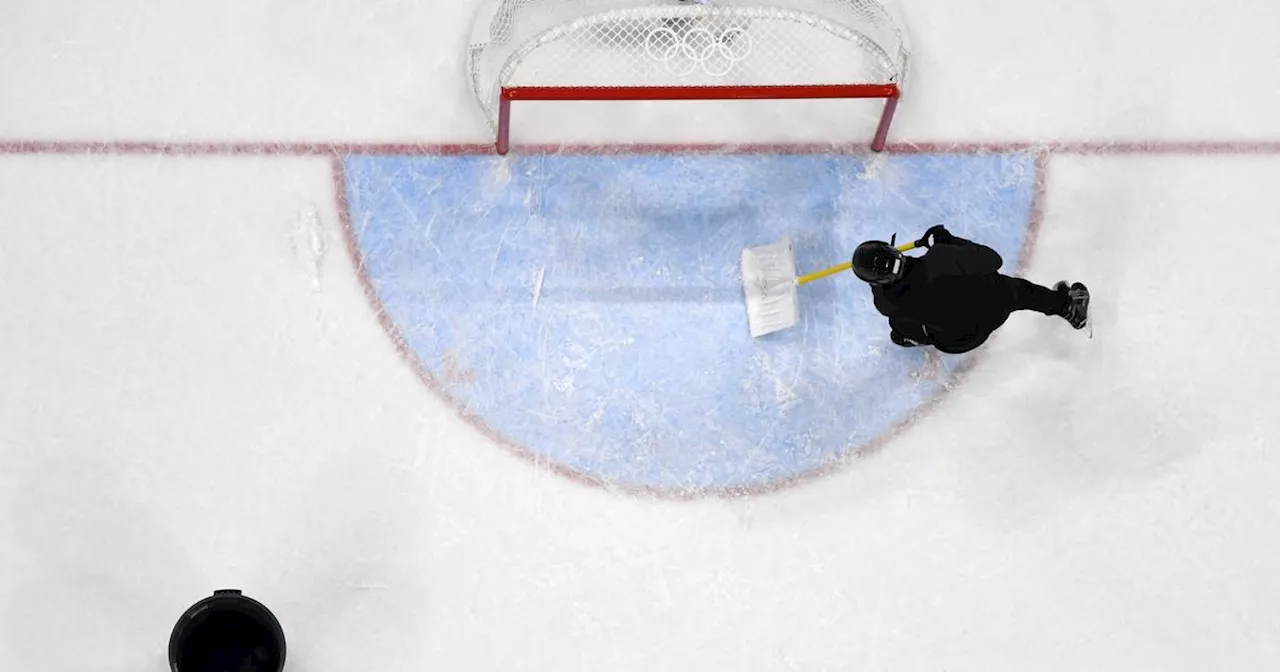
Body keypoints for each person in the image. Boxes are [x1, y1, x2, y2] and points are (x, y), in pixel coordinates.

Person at [850, 225, 1089, 354]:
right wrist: (950, 241)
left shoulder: (885, 302)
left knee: (899, 326)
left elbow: (890, 289)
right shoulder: (941, 258)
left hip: (957, 341)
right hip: (995, 305)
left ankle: (915, 338)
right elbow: (993, 259)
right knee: (1018, 290)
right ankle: (1067, 307)